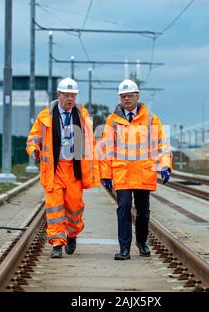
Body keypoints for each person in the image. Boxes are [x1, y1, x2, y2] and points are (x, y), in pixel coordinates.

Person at [26, 77, 100, 258]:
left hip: (74, 170)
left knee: (75, 207)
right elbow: (32, 139)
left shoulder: (83, 117)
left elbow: (91, 143)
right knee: (54, 206)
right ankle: (57, 244)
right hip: (54, 170)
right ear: (58, 95)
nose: (70, 99)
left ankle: (73, 233)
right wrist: (34, 150)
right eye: (66, 95)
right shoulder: (45, 118)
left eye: (73, 96)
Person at [99, 79, 172, 260]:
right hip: (122, 172)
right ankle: (124, 248)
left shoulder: (150, 119)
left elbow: (162, 145)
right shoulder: (112, 121)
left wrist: (165, 165)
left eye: (130, 96)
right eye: (123, 96)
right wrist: (105, 174)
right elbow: (106, 149)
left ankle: (141, 242)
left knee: (143, 211)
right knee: (123, 208)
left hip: (143, 172)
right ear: (119, 98)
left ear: (137, 96)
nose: (127, 99)